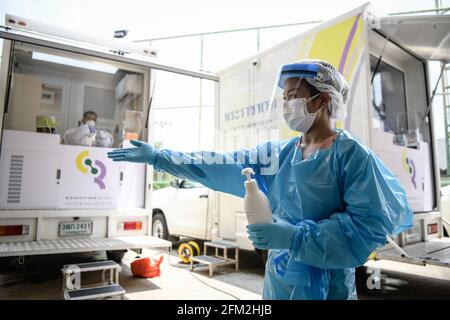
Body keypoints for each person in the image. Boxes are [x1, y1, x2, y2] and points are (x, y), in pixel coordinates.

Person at [107, 59, 413, 300]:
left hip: (328, 283)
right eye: (284, 97)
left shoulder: (351, 154)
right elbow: (220, 165)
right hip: (280, 278)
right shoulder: (277, 155)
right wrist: (162, 158)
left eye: (294, 96)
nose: (286, 104)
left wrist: (293, 238)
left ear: (322, 100)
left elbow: (368, 225)